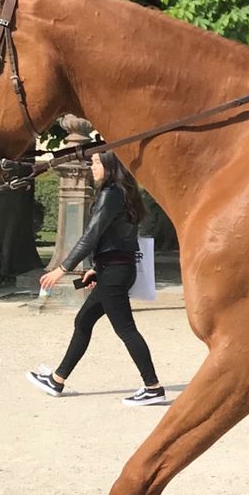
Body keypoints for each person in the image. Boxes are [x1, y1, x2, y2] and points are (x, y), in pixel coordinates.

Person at [26, 152, 166, 405]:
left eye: (97, 162)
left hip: (114, 273)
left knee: (126, 329)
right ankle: (57, 379)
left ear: (112, 165)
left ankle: (153, 387)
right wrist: (97, 268)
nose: (92, 167)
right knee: (84, 320)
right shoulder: (125, 193)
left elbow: (91, 236)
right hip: (115, 269)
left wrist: (62, 269)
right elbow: (115, 238)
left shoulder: (111, 193)